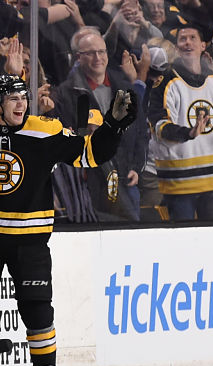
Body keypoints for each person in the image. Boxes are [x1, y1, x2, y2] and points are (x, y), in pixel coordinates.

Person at [0, 74, 136, 366]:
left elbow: (89, 155)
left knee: (38, 309)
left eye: (23, 97)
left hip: (31, 241)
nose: (21, 104)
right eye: (12, 98)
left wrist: (112, 125)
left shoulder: (45, 129)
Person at [54, 27, 145, 222]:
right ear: (79, 57)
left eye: (101, 51)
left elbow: (140, 132)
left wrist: (137, 167)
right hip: (90, 182)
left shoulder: (124, 87)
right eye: (90, 53)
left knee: (130, 235)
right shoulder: (66, 93)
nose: (97, 57)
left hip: (125, 179)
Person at [148, 22, 213, 220]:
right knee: (183, 245)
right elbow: (159, 126)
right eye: (182, 39)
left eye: (192, 38)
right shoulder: (164, 82)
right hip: (179, 182)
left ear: (203, 45)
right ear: (176, 48)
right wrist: (188, 133)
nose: (187, 43)